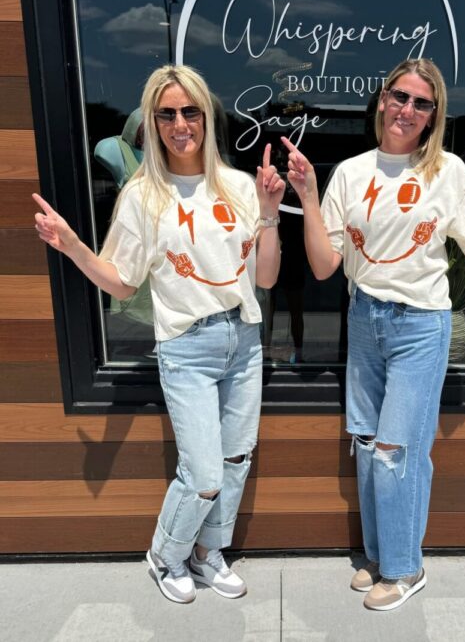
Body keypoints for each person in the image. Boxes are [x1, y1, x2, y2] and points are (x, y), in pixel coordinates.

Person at [283, 58, 465, 611]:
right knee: (366, 444)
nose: (407, 110)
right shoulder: (352, 173)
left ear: (433, 115)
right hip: (364, 319)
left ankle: (406, 569)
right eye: (400, 97)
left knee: (396, 450)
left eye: (421, 103)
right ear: (382, 100)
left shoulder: (447, 173)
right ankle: (380, 558)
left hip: (420, 325)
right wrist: (308, 198)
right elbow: (326, 265)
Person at [32, 64, 285, 604]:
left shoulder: (240, 187)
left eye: (190, 111)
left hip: (244, 342)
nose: (180, 124)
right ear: (152, 121)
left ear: (206, 118)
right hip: (187, 348)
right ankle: (166, 554)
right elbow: (122, 285)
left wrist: (268, 215)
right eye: (166, 113)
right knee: (202, 473)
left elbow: (264, 278)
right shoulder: (143, 196)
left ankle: (207, 553)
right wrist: (74, 246)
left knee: (236, 459)